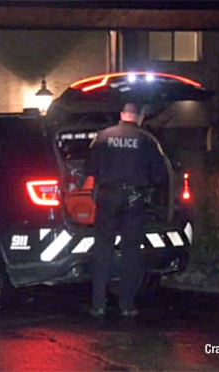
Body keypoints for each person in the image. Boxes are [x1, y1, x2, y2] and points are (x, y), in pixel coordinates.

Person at [84, 102, 167, 318]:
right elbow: (160, 175)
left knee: (103, 250)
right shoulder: (147, 140)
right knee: (131, 252)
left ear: (122, 114)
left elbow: (89, 168)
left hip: (107, 196)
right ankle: (127, 305)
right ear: (139, 117)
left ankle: (98, 304)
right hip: (134, 199)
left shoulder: (102, 137)